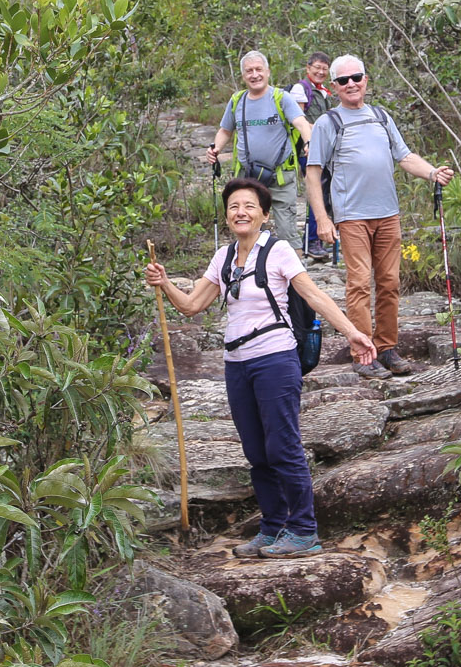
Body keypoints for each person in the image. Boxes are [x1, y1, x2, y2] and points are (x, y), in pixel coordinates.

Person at [146, 175, 374, 558]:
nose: (241, 212)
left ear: (265, 215)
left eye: (250, 206)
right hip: (237, 365)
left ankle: (303, 530)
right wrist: (165, 282)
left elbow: (314, 295)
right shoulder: (223, 258)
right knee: (255, 451)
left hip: (275, 359)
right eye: (234, 206)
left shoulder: (279, 251)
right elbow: (190, 305)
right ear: (226, 215)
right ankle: (271, 528)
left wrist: (351, 332)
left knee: (282, 446)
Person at [305, 54, 455, 380]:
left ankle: (386, 348)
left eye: (355, 77)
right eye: (343, 80)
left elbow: (404, 157)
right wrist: (322, 219)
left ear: (365, 80)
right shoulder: (328, 123)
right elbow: (313, 174)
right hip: (352, 217)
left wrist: (432, 173)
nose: (351, 84)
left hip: (388, 215)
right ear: (333, 87)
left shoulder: (381, 117)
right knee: (359, 285)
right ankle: (363, 354)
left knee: (389, 283)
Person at [206, 51, 316, 243]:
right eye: (249, 71)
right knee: (249, 230)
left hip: (281, 176)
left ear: (267, 72)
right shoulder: (236, 101)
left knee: (287, 233)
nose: (254, 75)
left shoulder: (281, 98)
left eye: (259, 69)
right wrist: (215, 149)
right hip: (248, 177)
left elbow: (300, 122)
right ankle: (252, 271)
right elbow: (225, 130)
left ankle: (293, 273)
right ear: (243, 75)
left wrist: (309, 143)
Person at [285, 53, 334, 260]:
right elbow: (299, 120)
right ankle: (312, 240)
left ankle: (320, 238)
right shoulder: (301, 89)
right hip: (308, 148)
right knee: (317, 192)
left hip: (324, 148)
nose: (321, 72)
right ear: (308, 68)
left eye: (325, 68)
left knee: (326, 192)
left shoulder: (323, 92)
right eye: (317, 67)